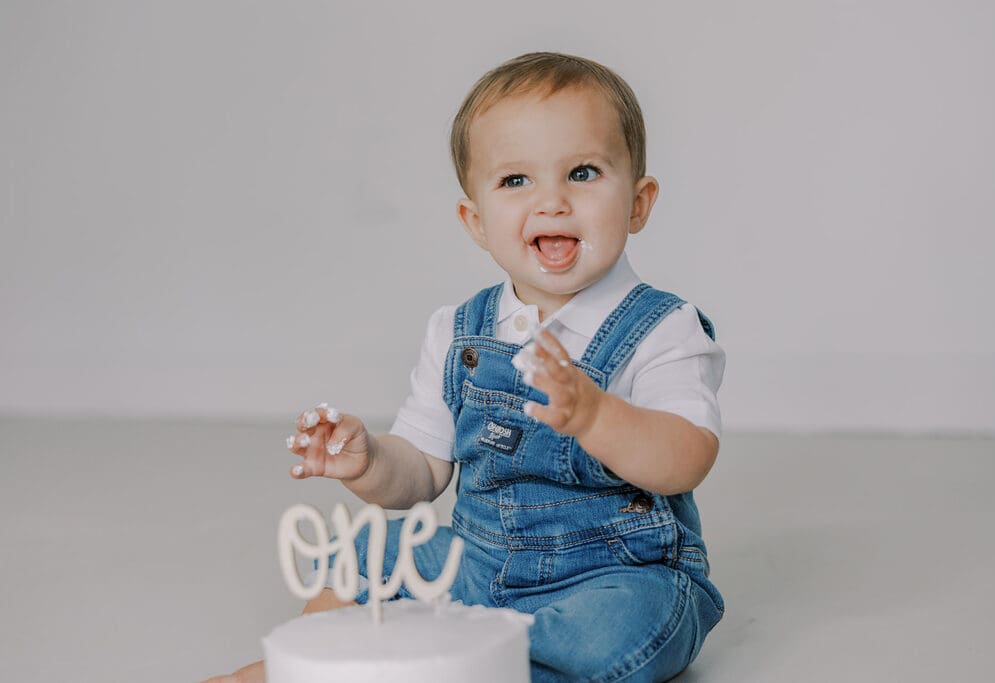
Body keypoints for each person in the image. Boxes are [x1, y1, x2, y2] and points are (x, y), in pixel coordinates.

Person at [207, 51, 725, 683]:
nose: (552, 202)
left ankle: (463, 665)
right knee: (372, 550)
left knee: (622, 629)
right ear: (476, 221)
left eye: (583, 172)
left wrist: (596, 414)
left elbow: (685, 457)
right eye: (516, 181)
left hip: (613, 574)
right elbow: (423, 472)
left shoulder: (662, 328)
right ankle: (307, 667)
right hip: (478, 565)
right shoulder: (459, 333)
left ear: (639, 203)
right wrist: (369, 461)